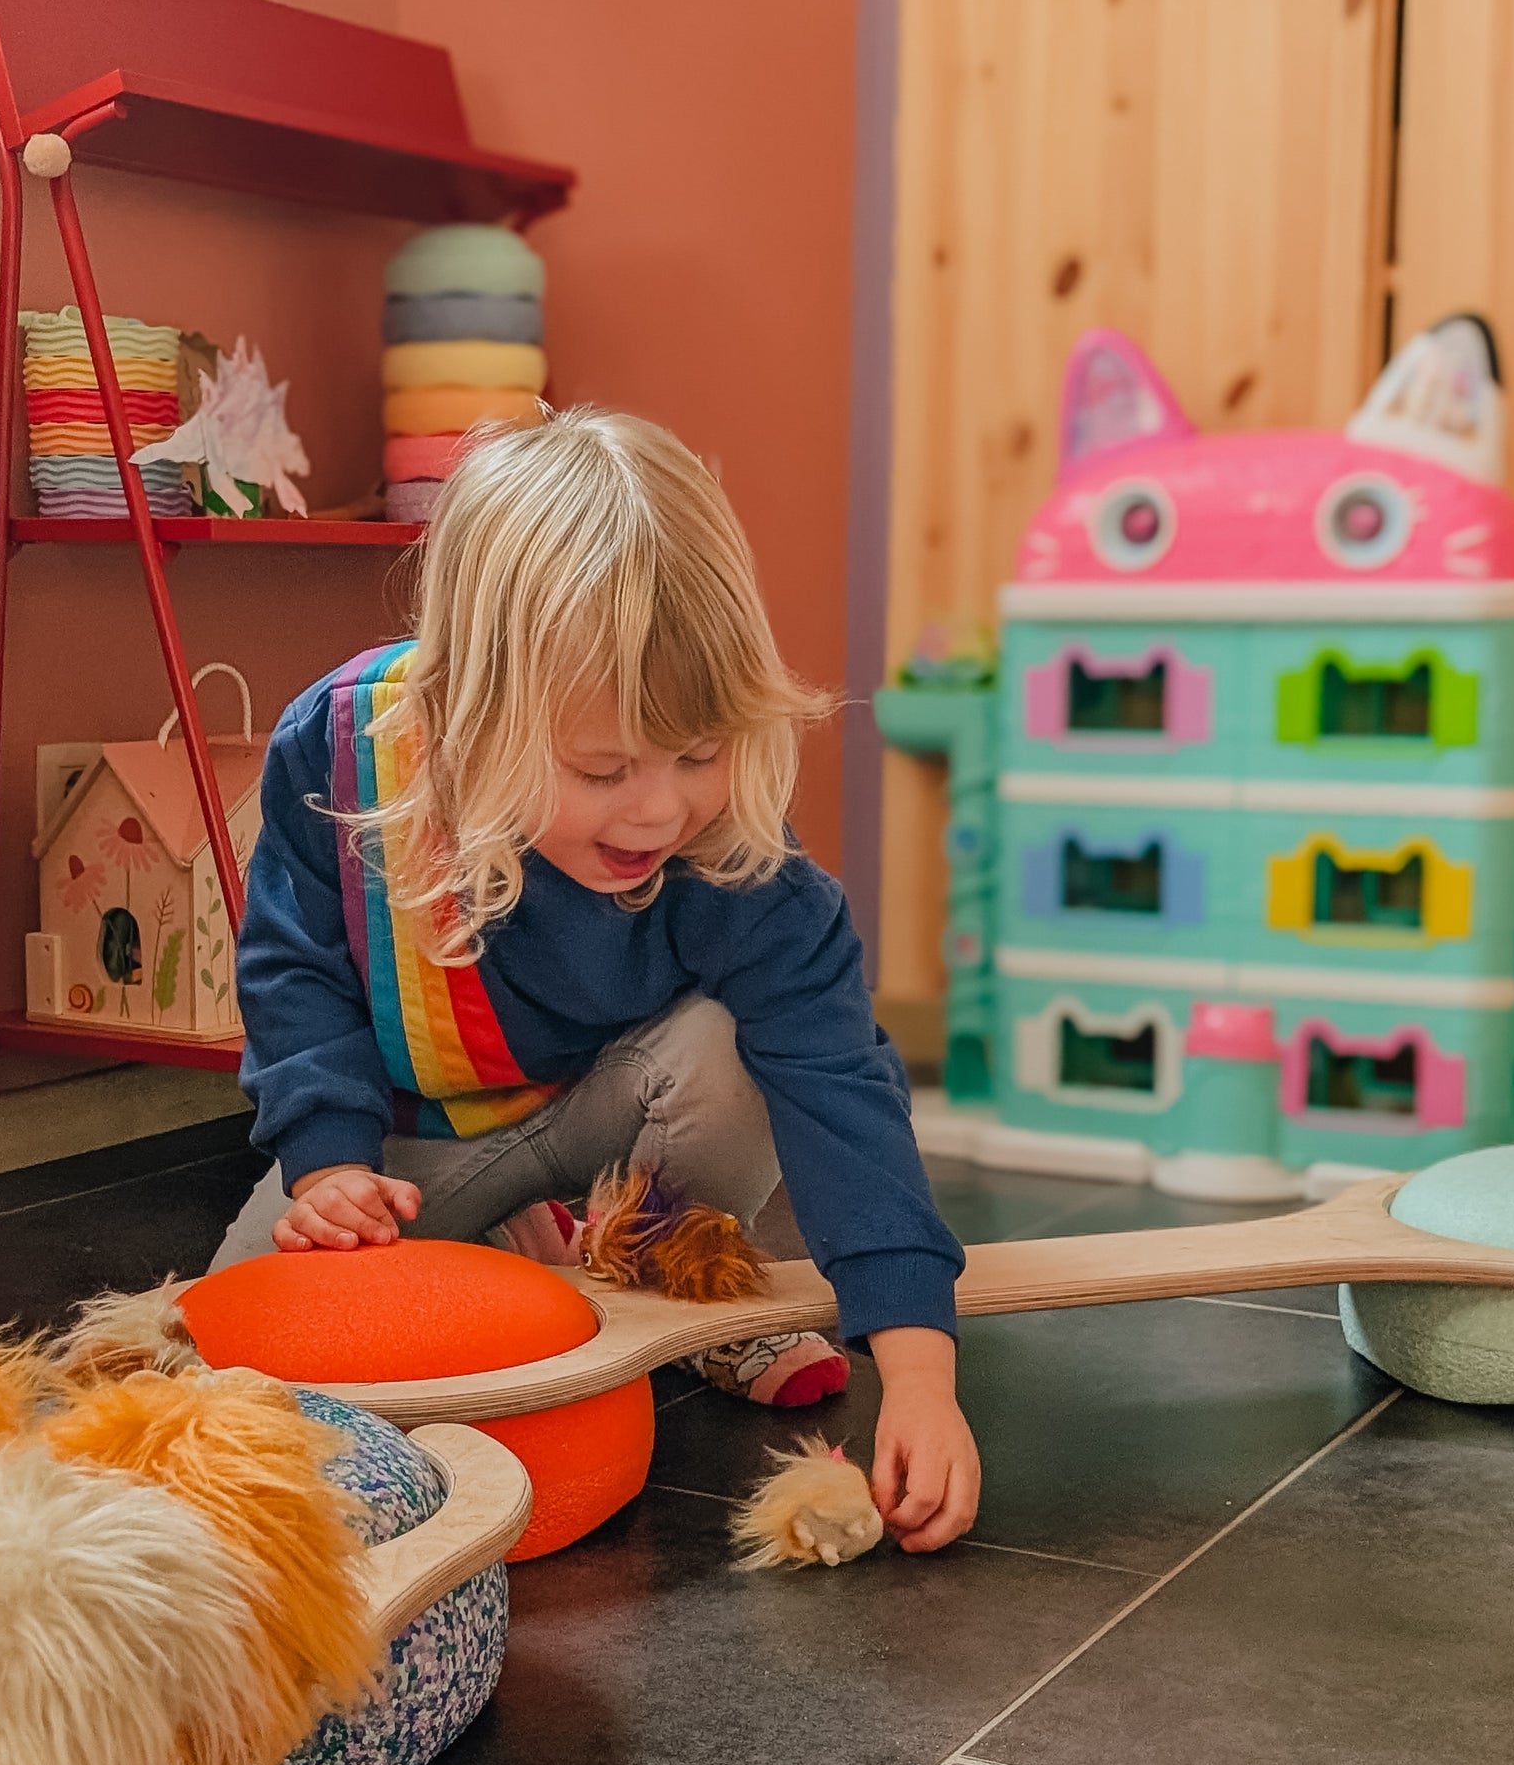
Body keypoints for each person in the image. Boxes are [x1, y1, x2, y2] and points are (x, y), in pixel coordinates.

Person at [214, 408, 978, 1553]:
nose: (658, 809)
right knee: (232, 1353)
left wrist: (919, 1373)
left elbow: (838, 1085)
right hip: (417, 1148)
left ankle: (678, 1270)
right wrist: (328, 1168)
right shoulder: (337, 748)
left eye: (697, 753)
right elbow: (296, 971)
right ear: (470, 719)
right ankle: (501, 1245)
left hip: (622, 1121)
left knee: (729, 1049)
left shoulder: (730, 859)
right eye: (601, 768)